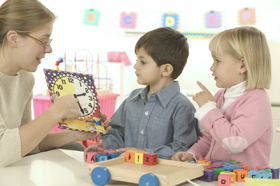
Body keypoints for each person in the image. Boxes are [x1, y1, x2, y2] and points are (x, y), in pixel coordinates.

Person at [0, 0, 110, 167]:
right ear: (14, 39)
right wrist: (55, 111)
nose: (49, 49)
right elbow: (3, 150)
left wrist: (74, 134)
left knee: (75, 147)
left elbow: (25, 144)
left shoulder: (25, 79)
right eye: (43, 41)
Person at [84, 27, 200, 160]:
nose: (136, 66)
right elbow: (116, 133)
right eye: (137, 60)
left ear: (166, 69)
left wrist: (144, 153)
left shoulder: (182, 106)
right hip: (126, 169)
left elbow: (182, 148)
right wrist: (105, 145)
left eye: (143, 62)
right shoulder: (132, 99)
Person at [172, 26, 273, 170]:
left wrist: (208, 109)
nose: (212, 68)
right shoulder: (221, 96)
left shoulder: (256, 100)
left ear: (242, 65)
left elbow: (234, 143)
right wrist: (193, 154)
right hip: (217, 177)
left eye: (217, 61)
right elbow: (210, 137)